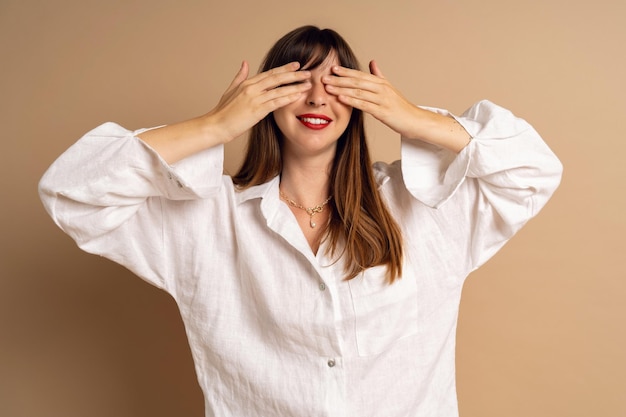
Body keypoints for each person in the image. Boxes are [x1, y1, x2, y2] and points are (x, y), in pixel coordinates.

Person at [39, 25, 562, 417]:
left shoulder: (427, 207)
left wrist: (414, 119)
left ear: (361, 99)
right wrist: (215, 126)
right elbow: (72, 192)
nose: (316, 96)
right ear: (263, 98)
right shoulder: (205, 219)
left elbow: (535, 170)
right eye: (298, 81)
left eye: (335, 82)